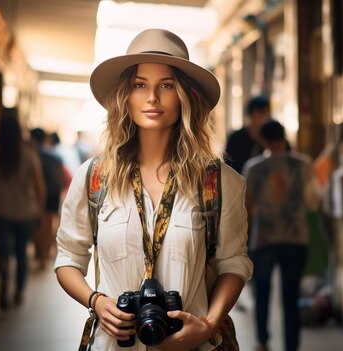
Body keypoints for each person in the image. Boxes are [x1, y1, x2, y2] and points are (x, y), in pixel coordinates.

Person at [54, 28, 253, 351]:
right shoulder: (94, 178)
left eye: (167, 86)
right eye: (140, 85)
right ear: (125, 95)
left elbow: (235, 262)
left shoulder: (218, 182)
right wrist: (96, 301)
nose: (152, 98)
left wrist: (208, 325)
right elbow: (67, 257)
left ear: (184, 95)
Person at [242, 120, 320, 351]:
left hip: (264, 239)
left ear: (263, 140)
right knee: (290, 296)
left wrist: (243, 242)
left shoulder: (254, 167)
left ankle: (263, 341)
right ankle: (291, 345)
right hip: (296, 238)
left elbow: (247, 207)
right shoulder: (303, 165)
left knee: (262, 294)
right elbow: (313, 202)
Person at [0, 109, 45, 310]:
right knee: (22, 252)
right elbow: (40, 186)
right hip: (25, 212)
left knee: (3, 253)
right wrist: (39, 210)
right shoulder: (29, 154)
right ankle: (19, 292)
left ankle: (4, 275)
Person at [30, 127, 66, 266]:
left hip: (37, 193)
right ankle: (45, 253)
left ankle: (41, 252)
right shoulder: (54, 156)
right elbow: (62, 176)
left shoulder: (32, 154)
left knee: (39, 224)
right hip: (53, 192)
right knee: (49, 223)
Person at [224, 96, 271, 174]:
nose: (266, 118)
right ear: (252, 114)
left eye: (267, 113)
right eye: (262, 113)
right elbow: (228, 166)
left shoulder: (270, 137)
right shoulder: (236, 138)